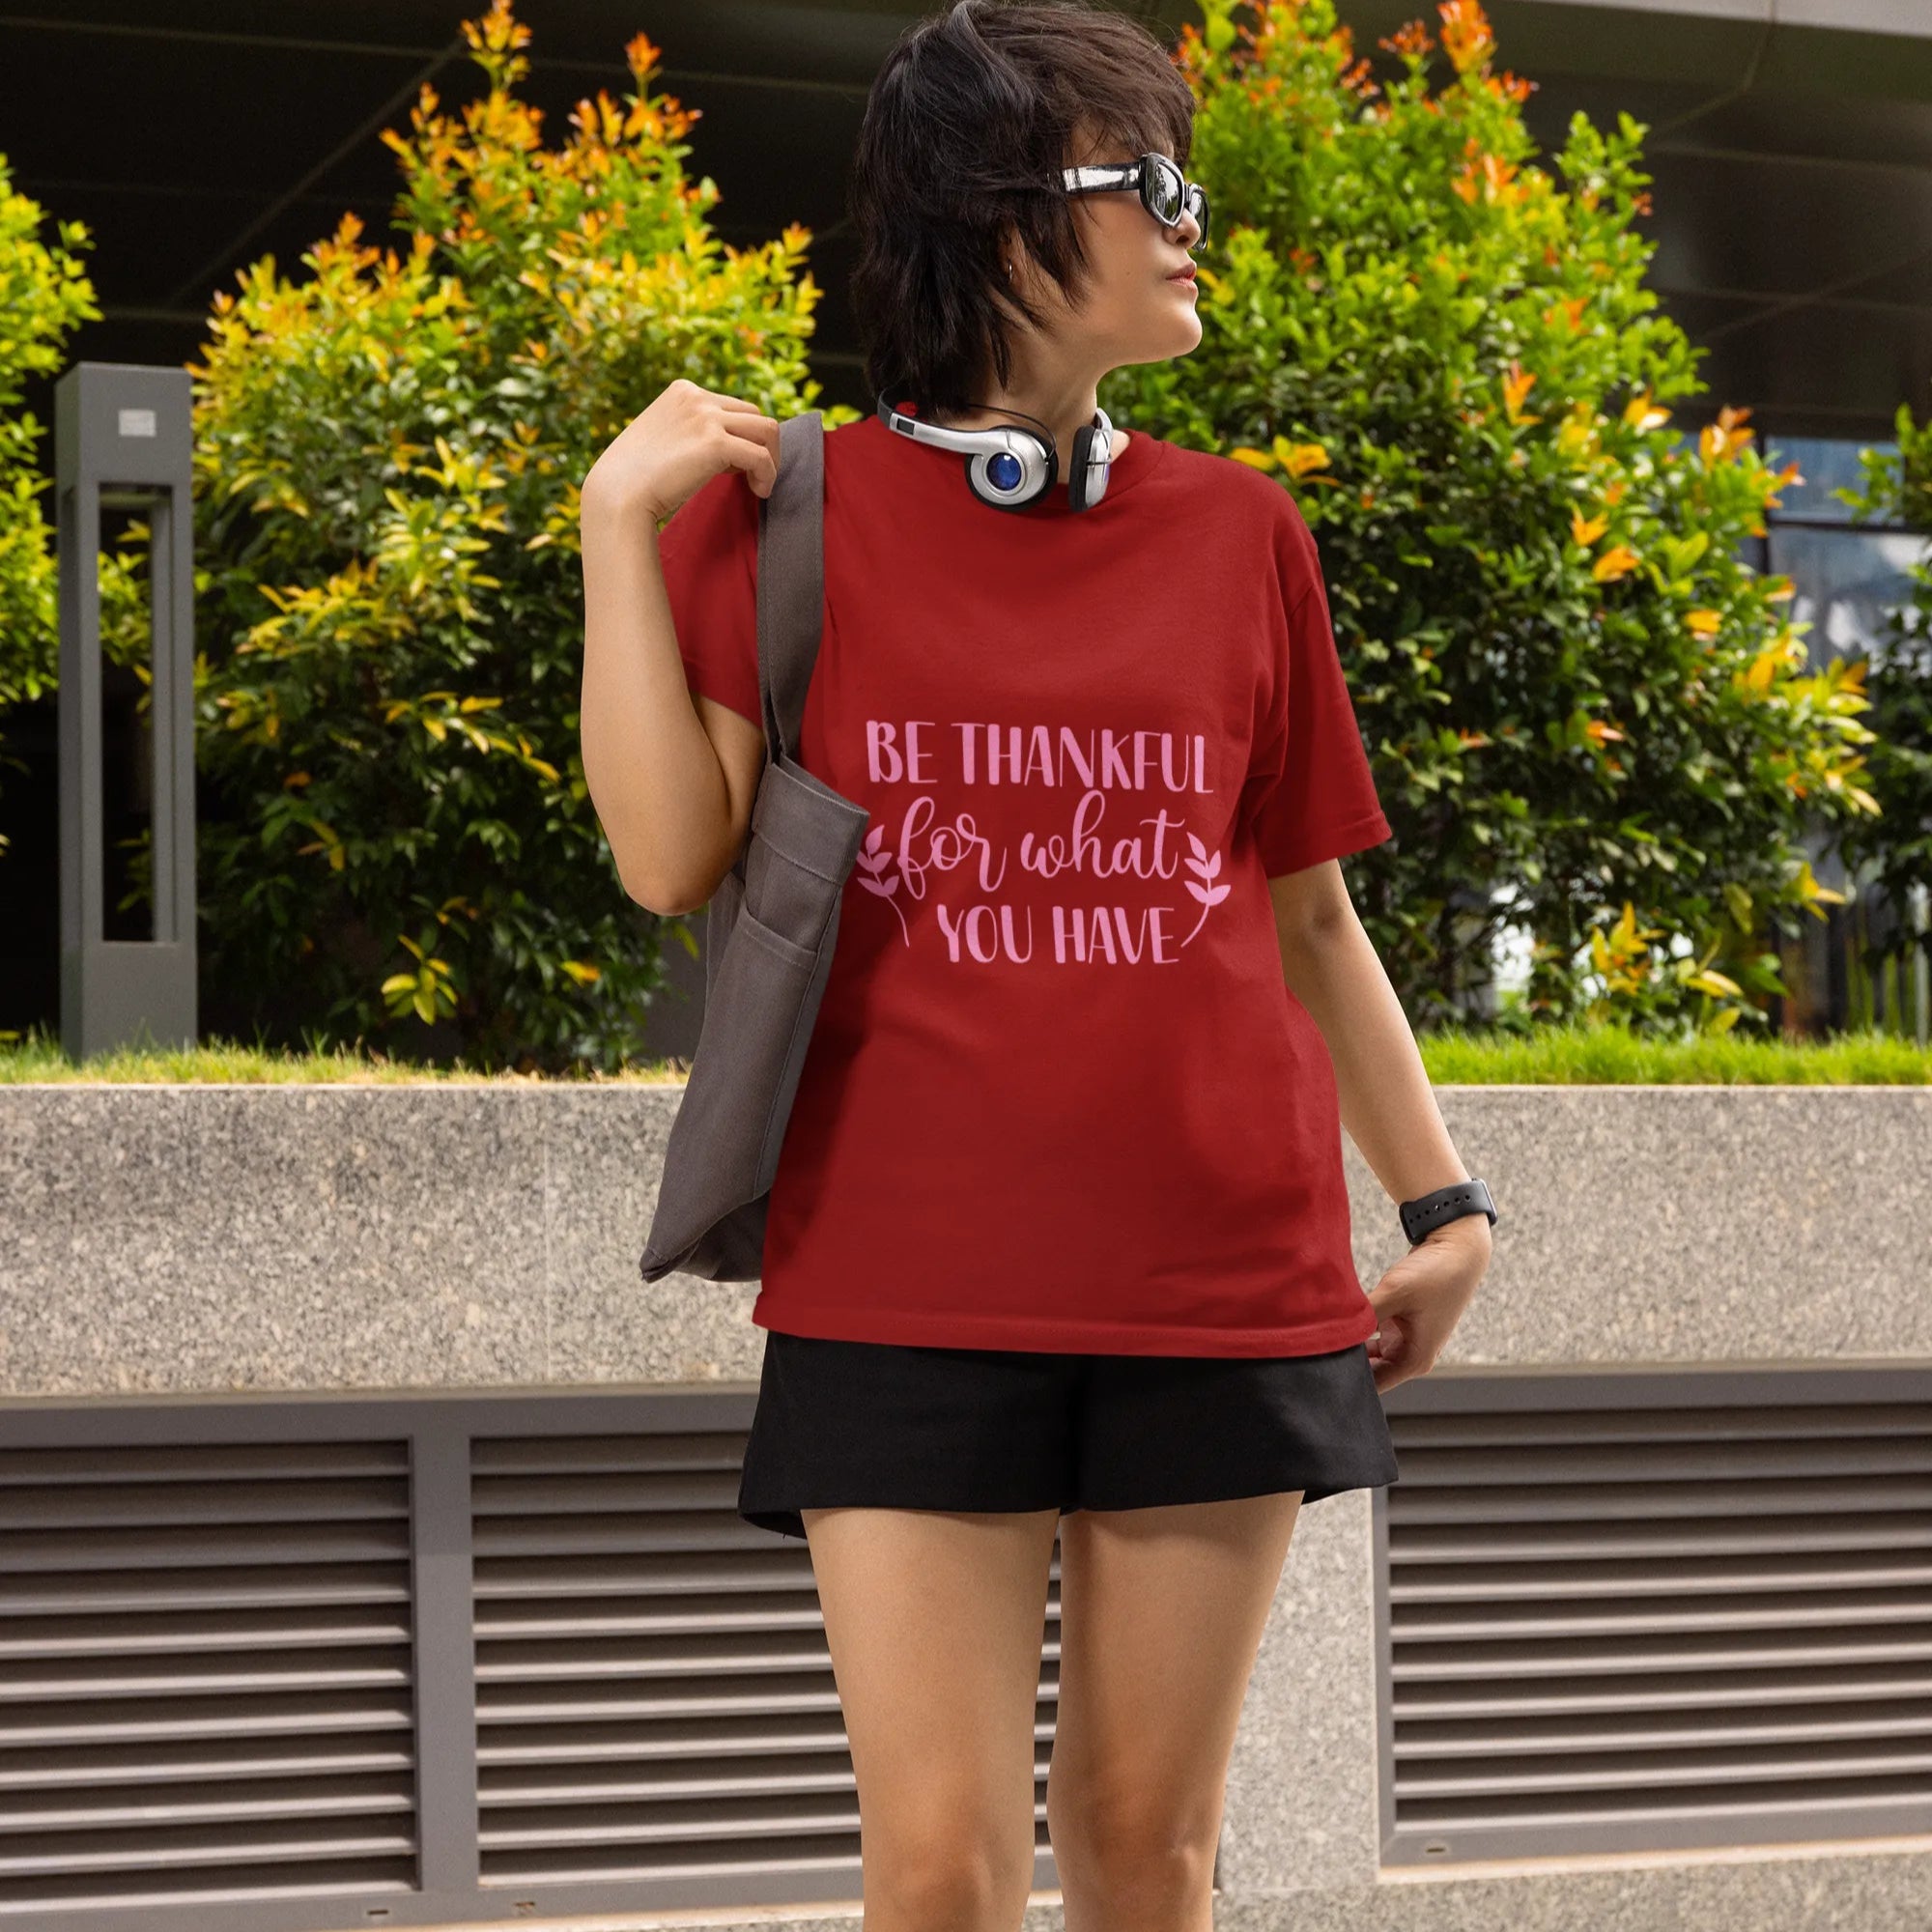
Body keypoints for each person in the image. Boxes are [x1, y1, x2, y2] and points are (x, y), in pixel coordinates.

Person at [578, 2, 1493, 1926]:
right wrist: (611, 530)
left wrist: (1441, 1199)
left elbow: (1307, 909)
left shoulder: (1243, 533)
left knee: (1148, 1851)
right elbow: (672, 854)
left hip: (1221, 1276)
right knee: (936, 1870)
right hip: (905, 1279)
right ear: (998, 218)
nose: (1186, 222)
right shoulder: (791, 516)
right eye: (1138, 181)